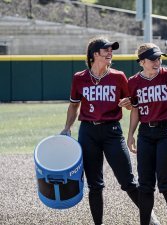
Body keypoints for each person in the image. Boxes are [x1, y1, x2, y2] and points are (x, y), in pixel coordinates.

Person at [60, 37, 159, 225]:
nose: (110, 53)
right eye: (106, 50)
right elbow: (73, 106)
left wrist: (128, 103)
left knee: (128, 181)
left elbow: (132, 104)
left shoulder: (118, 76)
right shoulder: (79, 78)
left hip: (112, 132)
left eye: (111, 50)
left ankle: (149, 216)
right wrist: (67, 127)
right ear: (95, 54)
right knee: (95, 185)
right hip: (88, 133)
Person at [127, 43, 167, 225]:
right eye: (152, 59)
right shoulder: (133, 82)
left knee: (165, 184)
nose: (157, 62)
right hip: (145, 133)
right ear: (141, 62)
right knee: (145, 186)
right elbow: (135, 110)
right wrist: (131, 134)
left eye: (159, 58)